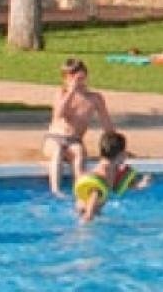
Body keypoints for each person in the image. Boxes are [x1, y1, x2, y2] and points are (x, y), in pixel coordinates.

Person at [42, 58, 115, 196]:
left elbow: (107, 124)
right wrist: (71, 92)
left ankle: (79, 187)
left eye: (80, 78)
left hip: (75, 140)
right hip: (54, 138)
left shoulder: (94, 98)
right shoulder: (61, 94)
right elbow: (58, 115)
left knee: (79, 153)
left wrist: (116, 146)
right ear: (65, 79)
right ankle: (56, 190)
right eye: (72, 78)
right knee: (58, 151)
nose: (77, 82)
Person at [74, 130, 152, 223]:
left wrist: (140, 184)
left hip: (94, 212)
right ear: (121, 154)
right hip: (85, 212)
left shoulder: (113, 169)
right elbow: (94, 193)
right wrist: (88, 216)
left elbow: (120, 184)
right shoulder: (101, 174)